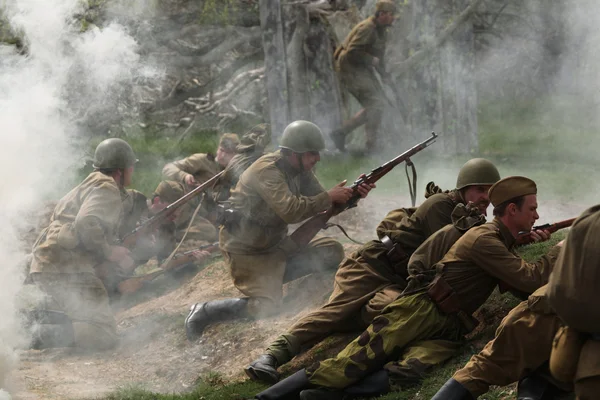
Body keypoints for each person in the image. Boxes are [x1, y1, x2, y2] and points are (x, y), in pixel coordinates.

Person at [254, 176, 562, 400]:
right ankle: (267, 397)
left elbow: (516, 281)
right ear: (511, 211)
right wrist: (562, 250)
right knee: (347, 364)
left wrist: (522, 242)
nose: (536, 215)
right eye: (532, 209)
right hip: (420, 310)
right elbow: (529, 279)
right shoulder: (485, 238)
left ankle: (335, 397)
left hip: (449, 326)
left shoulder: (498, 241)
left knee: (410, 369)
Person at [245, 158, 501, 384]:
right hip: (370, 266)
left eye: (489, 195)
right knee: (333, 316)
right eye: (480, 190)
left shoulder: (466, 218)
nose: (484, 198)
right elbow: (441, 258)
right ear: (464, 187)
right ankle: (270, 356)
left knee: (396, 313)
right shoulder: (442, 206)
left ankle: (361, 333)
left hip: (396, 280)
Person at [184, 120, 374, 341]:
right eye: (312, 153)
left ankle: (274, 276)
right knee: (267, 306)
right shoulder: (266, 171)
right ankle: (205, 310)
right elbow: (291, 211)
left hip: (276, 246)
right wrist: (328, 197)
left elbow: (324, 203)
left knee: (331, 251)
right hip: (247, 252)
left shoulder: (299, 169)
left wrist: (353, 195)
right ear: (295, 153)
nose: (318, 158)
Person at [27, 138, 138, 350]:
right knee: (104, 334)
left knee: (73, 312)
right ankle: (24, 334)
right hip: (66, 268)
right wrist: (108, 252)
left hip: (52, 263)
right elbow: (86, 221)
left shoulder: (92, 181)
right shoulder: (107, 187)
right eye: (130, 166)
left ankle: (24, 324)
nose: (133, 170)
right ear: (120, 170)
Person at [330, 0, 397, 153]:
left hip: (360, 69)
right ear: (382, 14)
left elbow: (379, 58)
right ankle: (370, 145)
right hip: (349, 69)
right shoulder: (368, 28)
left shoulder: (381, 31)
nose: (394, 18)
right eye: (391, 15)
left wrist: (385, 76)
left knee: (378, 104)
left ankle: (341, 133)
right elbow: (352, 52)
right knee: (376, 103)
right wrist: (370, 60)